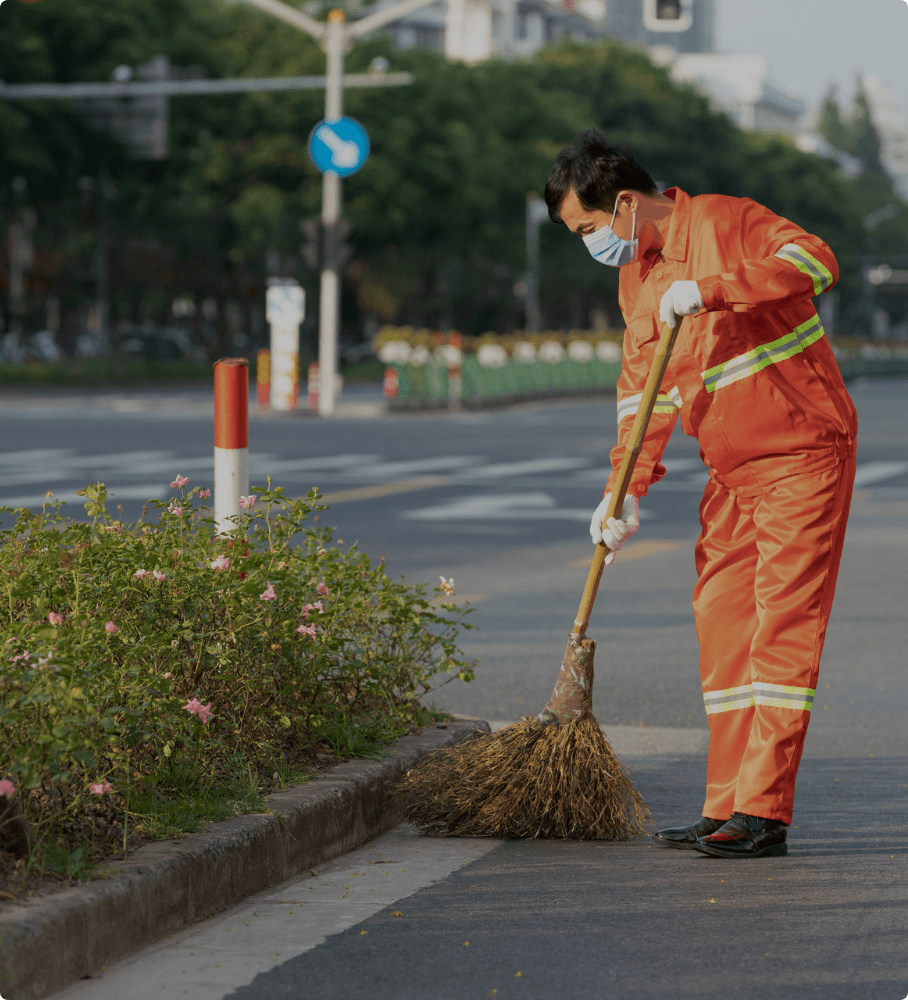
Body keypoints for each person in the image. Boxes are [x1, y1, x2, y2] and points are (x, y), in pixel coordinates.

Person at [544, 129, 857, 858]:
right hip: (731, 474)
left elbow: (816, 260)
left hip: (802, 456)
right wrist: (624, 491)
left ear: (624, 203)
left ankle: (765, 811)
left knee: (781, 632)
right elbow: (642, 396)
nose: (590, 244)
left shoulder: (725, 220)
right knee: (722, 633)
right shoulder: (636, 278)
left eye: (588, 229)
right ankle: (727, 804)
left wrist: (715, 289)